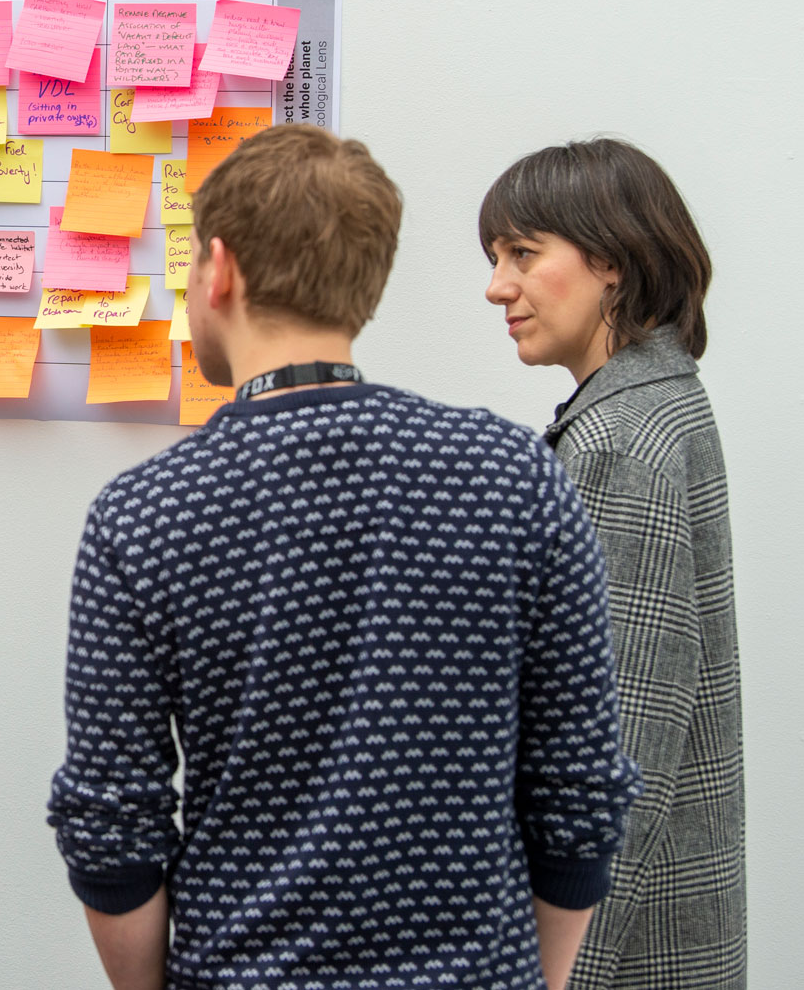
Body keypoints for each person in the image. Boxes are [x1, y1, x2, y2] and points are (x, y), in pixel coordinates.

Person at [47, 124, 642, 990]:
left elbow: (113, 829)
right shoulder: (516, 476)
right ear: (365, 282)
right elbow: (580, 797)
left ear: (220, 270)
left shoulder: (143, 516)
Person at [482, 139, 745, 990]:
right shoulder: (649, 409)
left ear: (612, 264)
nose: (497, 287)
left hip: (622, 953)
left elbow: (623, 749)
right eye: (496, 258)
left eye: (523, 253)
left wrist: (556, 970)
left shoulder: (622, 442)